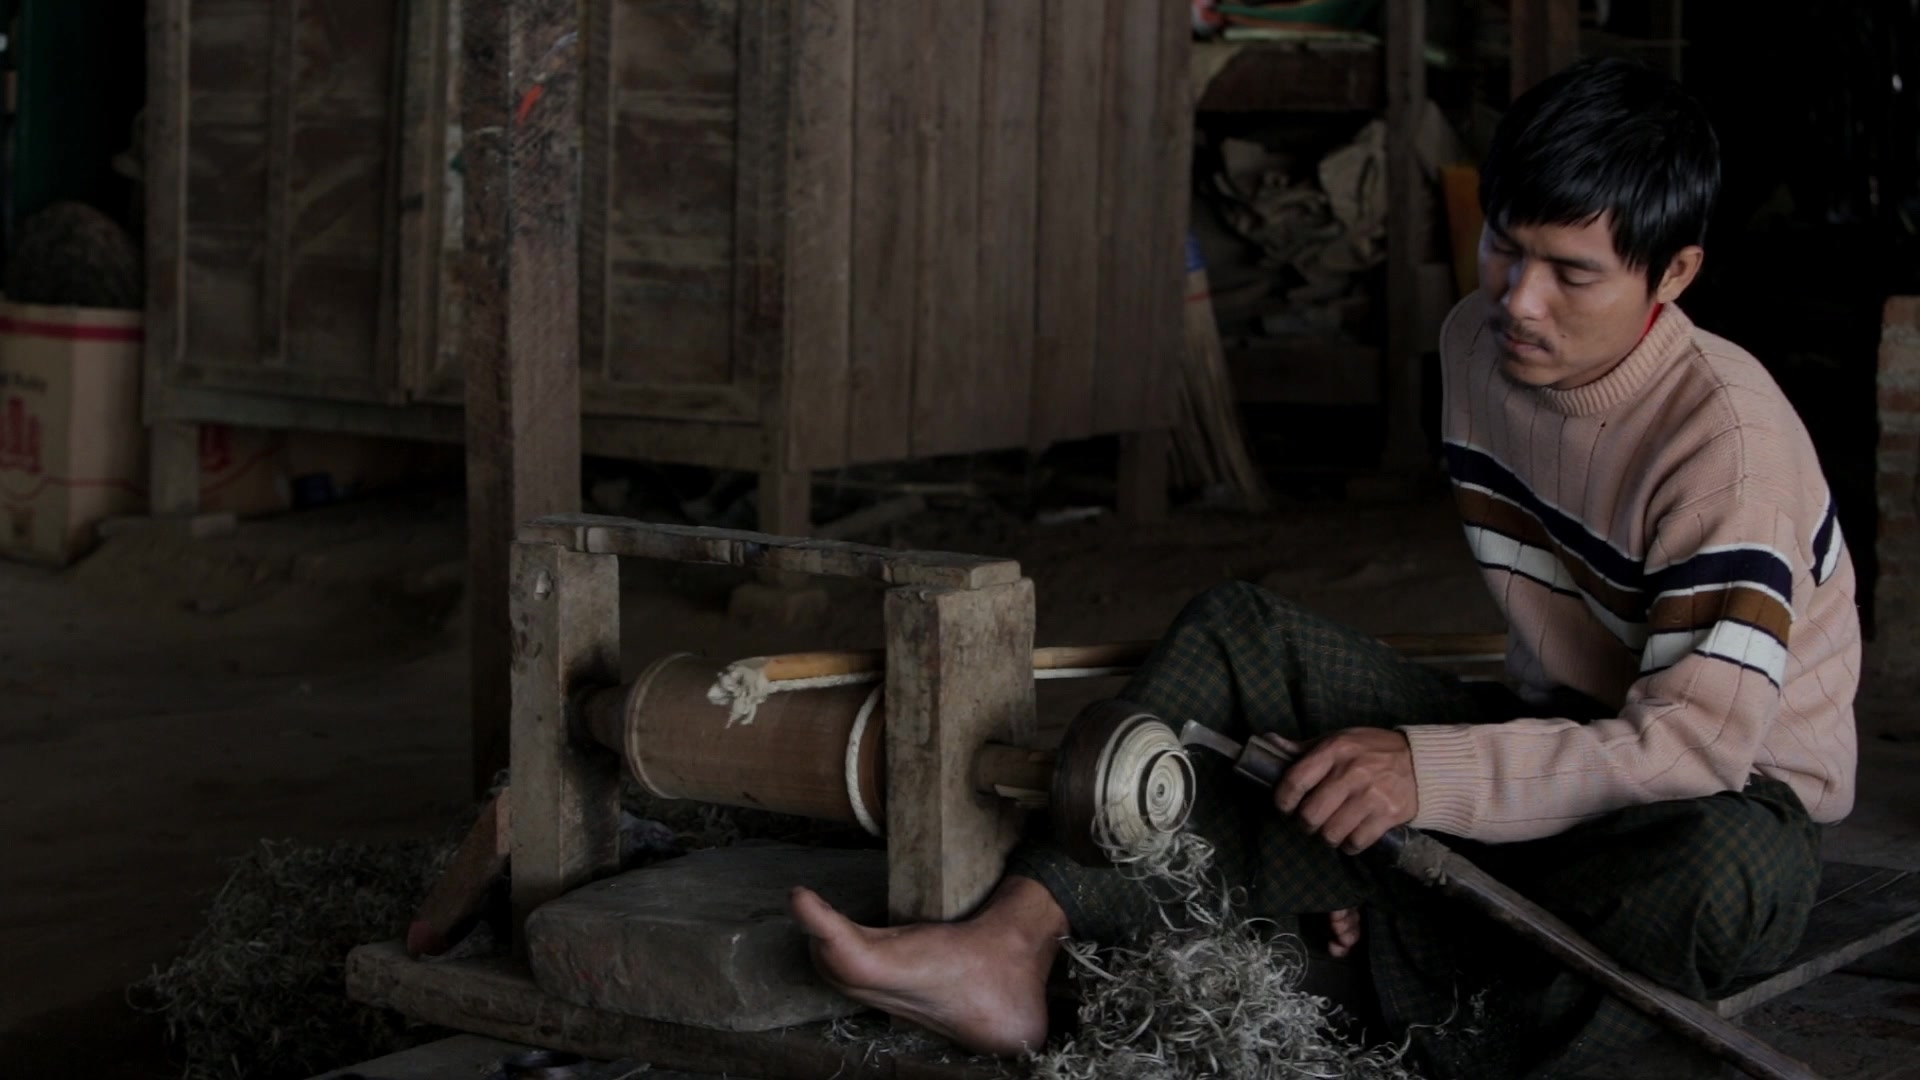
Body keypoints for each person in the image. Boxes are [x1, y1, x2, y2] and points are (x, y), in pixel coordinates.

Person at [789, 57, 1860, 1079]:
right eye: (1504, 248)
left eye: (1572, 273)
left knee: (1705, 883)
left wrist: (1423, 780)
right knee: (1240, 634)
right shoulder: (1476, 352)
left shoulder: (1728, 450)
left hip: (1720, 799)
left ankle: (1377, 955)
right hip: (1560, 745)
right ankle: (1011, 944)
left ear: (1674, 274)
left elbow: (1689, 751)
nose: (1519, 301)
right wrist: (1427, 777)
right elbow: (1547, 710)